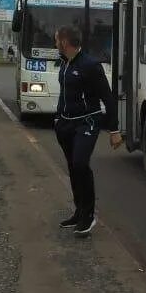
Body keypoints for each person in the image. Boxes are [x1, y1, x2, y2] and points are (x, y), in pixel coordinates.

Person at [54, 24, 122, 237]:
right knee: (73, 168)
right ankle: (79, 211)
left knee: (80, 164)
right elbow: (64, 95)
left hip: (87, 122)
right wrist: (57, 118)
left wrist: (114, 130)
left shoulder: (91, 65)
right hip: (65, 124)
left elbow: (107, 98)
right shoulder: (64, 63)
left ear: (65, 42)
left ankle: (89, 216)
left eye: (57, 40)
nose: (55, 44)